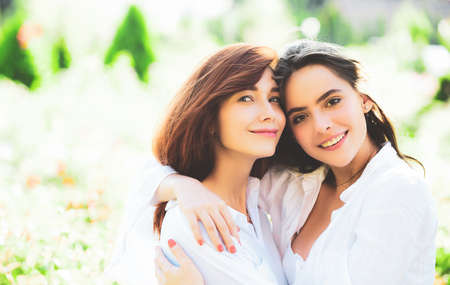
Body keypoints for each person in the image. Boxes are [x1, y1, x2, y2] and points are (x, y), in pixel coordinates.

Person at [148, 40, 438, 285]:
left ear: (363, 99)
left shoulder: (397, 191)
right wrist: (180, 186)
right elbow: (146, 182)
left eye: (332, 101)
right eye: (300, 116)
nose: (322, 125)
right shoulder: (297, 185)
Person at [108, 43, 289, 285]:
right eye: (246, 98)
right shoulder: (194, 224)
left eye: (274, 98)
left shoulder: (257, 206)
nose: (269, 113)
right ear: (210, 119)